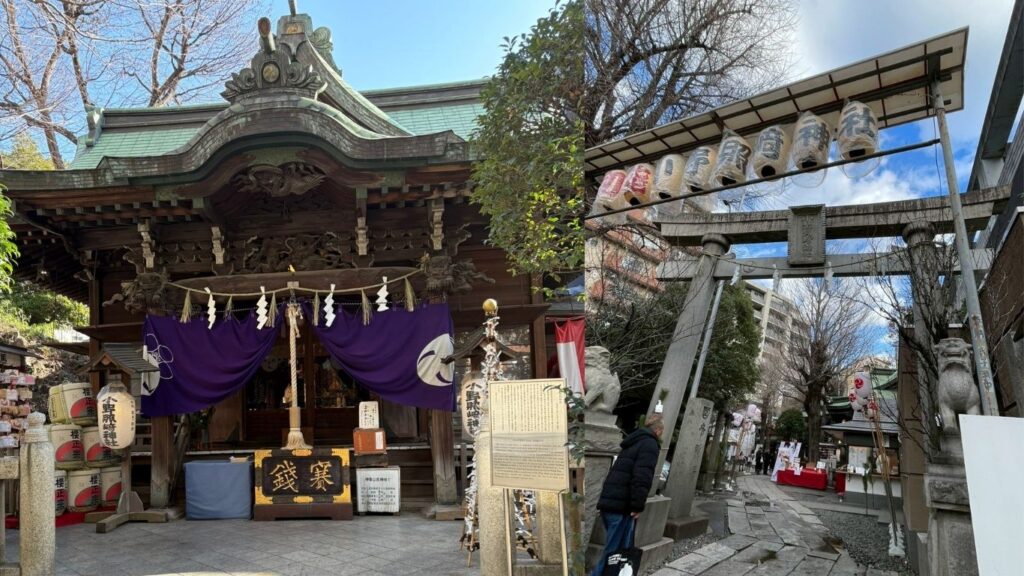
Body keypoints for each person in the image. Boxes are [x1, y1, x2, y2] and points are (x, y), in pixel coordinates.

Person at [591, 415, 664, 576]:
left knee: (615, 551)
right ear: (658, 430)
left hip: (610, 501)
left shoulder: (632, 441)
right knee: (614, 554)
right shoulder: (649, 444)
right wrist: (637, 506)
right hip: (622, 506)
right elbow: (642, 477)